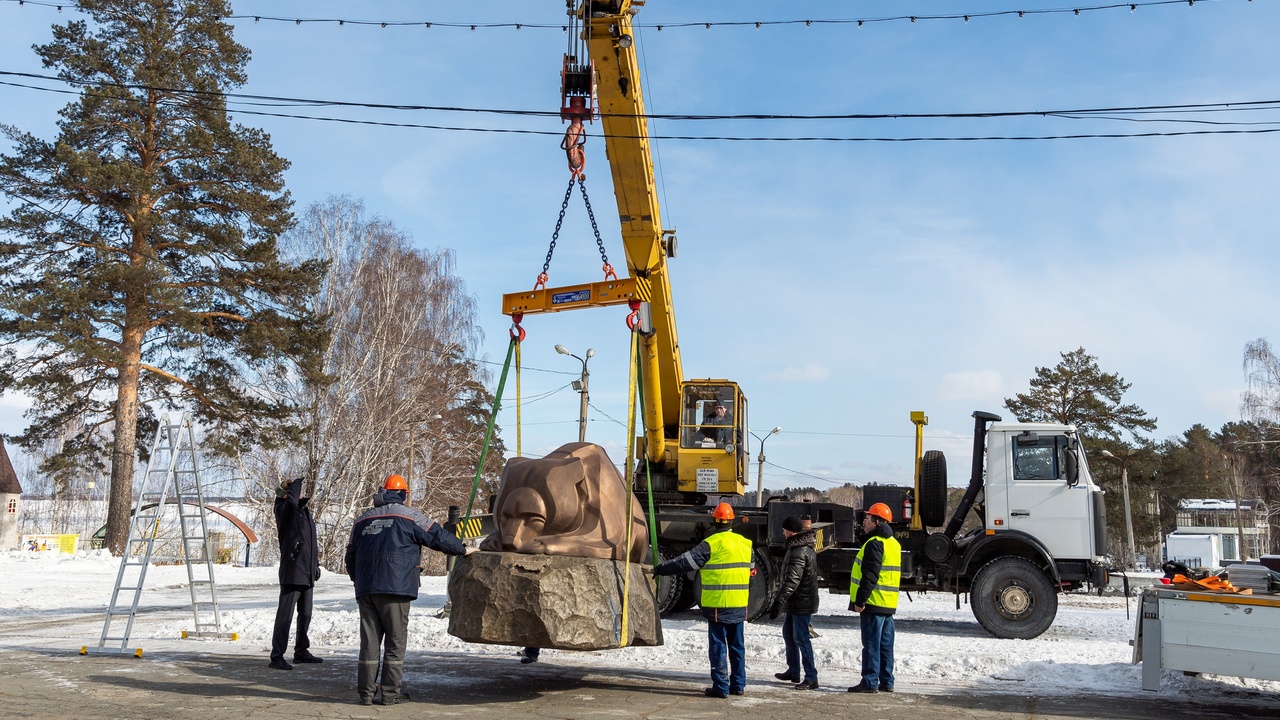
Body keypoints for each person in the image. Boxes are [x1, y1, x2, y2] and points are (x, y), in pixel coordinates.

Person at [345, 473, 470, 706]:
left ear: (383, 493)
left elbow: (350, 556)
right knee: (395, 641)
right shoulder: (410, 516)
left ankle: (366, 694)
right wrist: (462, 550)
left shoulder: (362, 520)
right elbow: (438, 537)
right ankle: (390, 694)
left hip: (367, 589)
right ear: (403, 494)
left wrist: (359, 582)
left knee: (369, 643)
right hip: (396, 588)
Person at [652, 502, 753, 698]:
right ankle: (739, 685)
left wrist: (660, 569)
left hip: (717, 604)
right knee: (737, 646)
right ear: (731, 522)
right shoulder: (745, 543)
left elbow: (685, 562)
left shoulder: (710, 544)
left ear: (714, 521)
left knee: (718, 646)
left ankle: (721, 687)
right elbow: (752, 570)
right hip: (739, 603)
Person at [848, 502, 901, 694]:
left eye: (868, 518)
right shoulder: (893, 543)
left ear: (877, 521)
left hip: (873, 602)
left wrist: (860, 600)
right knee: (886, 645)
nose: (864, 521)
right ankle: (887, 681)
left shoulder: (874, 543)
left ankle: (869, 681)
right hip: (888, 603)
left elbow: (870, 575)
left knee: (871, 644)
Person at [269, 476, 322, 670]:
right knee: (286, 615)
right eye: (294, 492)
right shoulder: (284, 510)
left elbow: (310, 542)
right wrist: (296, 483)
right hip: (292, 571)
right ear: (286, 495)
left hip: (306, 571)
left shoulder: (303, 512)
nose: (298, 494)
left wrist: (315, 565)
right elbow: (291, 501)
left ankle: (301, 651)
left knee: (306, 614)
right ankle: (277, 656)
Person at [769, 515, 820, 690]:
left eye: (784, 530)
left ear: (791, 531)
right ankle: (793, 670)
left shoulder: (798, 551)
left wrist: (778, 602)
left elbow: (792, 581)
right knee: (789, 634)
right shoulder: (800, 547)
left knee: (801, 638)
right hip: (797, 602)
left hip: (801, 602)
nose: (783, 533)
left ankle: (811, 677)